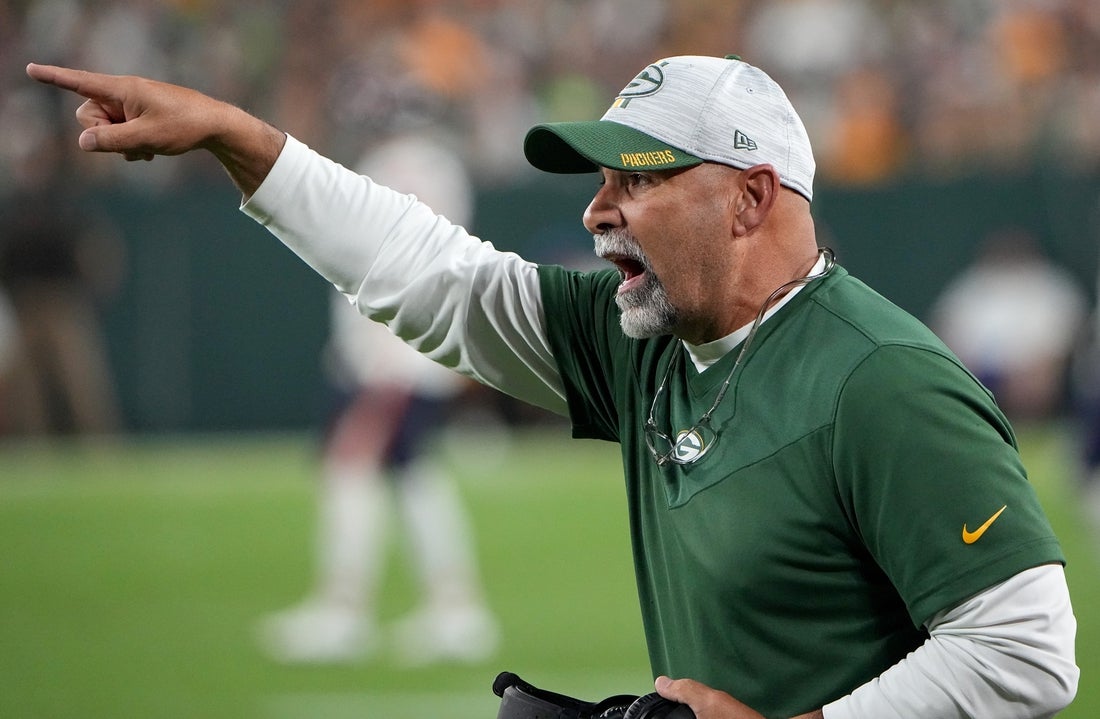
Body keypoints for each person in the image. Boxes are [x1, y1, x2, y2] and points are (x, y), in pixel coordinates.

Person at [26, 54, 1078, 719]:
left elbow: (1028, 647)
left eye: (636, 179)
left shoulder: (883, 378)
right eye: (599, 180)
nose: (597, 210)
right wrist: (239, 137)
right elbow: (436, 279)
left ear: (751, 199)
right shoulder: (648, 340)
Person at [258, 130, 499, 665]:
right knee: (411, 475)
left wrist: (383, 355)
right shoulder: (432, 162)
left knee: (354, 469)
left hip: (395, 352)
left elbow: (407, 255)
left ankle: (347, 609)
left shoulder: (404, 163)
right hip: (403, 349)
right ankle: (455, 608)